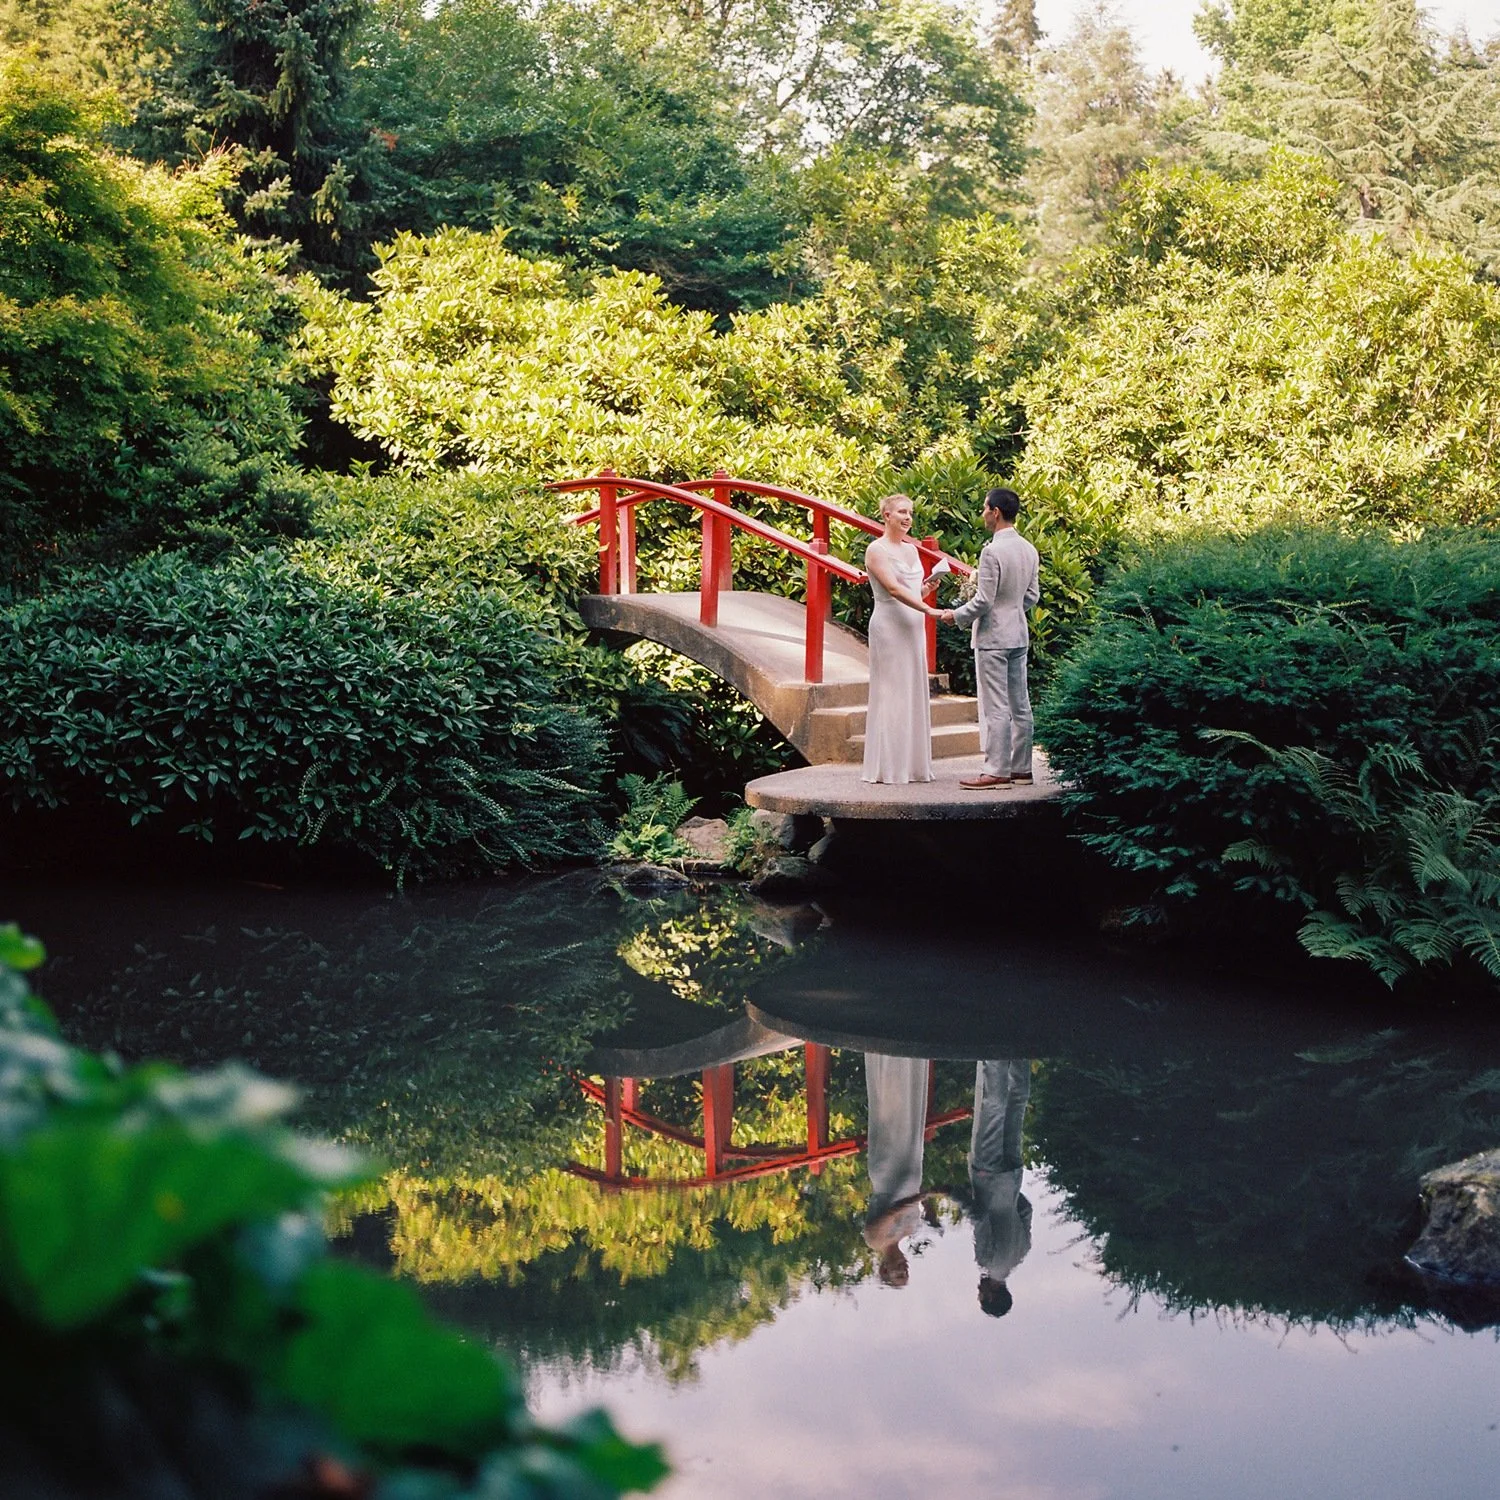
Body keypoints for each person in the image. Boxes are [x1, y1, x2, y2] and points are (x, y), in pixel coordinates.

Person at [939, 488, 1040, 791]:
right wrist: (1011, 612)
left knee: (996, 706)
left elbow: (984, 601)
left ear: (995, 512)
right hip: (1018, 634)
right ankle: (1022, 769)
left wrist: (956, 616)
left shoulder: (992, 551)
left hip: (994, 637)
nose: (982, 514)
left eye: (985, 509)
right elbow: (1032, 596)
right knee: (1020, 704)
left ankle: (996, 770)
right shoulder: (1028, 549)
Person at [862, 494, 940, 785]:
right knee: (892, 694)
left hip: (913, 628)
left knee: (912, 692)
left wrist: (926, 589)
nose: (908, 518)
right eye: (902, 512)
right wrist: (929, 609)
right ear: (886, 515)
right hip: (889, 627)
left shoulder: (912, 550)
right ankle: (890, 768)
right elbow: (893, 589)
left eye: (911, 513)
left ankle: (914, 766)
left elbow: (911, 591)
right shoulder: (876, 550)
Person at [967, 1058, 1033, 1318]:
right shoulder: (986, 1260)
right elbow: (980, 1216)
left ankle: (1021, 1052)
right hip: (988, 1176)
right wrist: (951, 1193)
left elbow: (1026, 1210)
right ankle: (993, 1052)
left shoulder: (1022, 1252)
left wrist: (1009, 1193)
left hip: (1012, 1177)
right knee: (993, 1109)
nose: (978, 1290)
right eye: (981, 1296)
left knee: (1017, 1105)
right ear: (992, 1296)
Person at [861, 1052, 932, 1287]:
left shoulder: (875, 1240)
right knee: (910, 1108)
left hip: (888, 1170)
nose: (904, 1269)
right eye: (906, 1273)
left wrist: (922, 1197)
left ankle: (886, 1055)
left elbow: (890, 1213)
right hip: (911, 1163)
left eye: (899, 1274)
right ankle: (911, 1057)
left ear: (884, 1270)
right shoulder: (910, 1229)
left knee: (890, 1106)